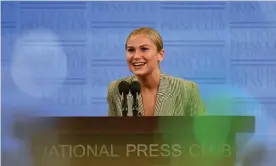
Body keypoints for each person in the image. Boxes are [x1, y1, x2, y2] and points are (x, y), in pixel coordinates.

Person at [107, 27, 205, 116]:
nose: (136, 56)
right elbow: (113, 132)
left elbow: (203, 132)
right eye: (131, 50)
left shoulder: (186, 90)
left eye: (144, 49)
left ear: (160, 55)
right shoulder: (117, 89)